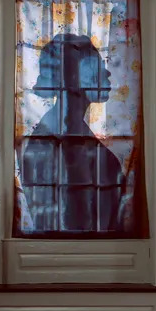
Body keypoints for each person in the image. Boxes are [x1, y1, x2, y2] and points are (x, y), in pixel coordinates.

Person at [17, 33, 124, 234]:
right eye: (97, 65)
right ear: (76, 74)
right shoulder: (49, 143)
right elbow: (73, 227)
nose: (107, 73)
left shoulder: (72, 133)